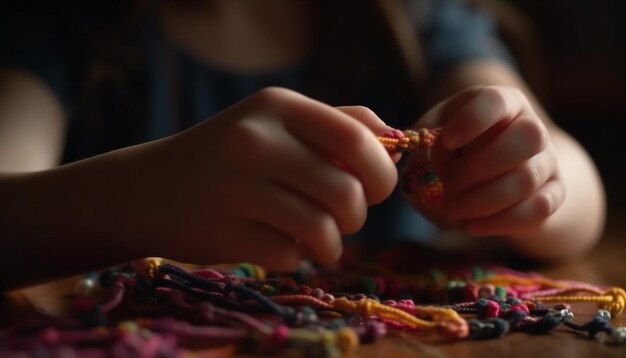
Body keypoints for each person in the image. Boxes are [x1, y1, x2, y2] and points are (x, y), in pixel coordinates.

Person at [0, 0, 605, 290]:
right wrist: (137, 199)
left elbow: (577, 185)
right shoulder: (66, 25)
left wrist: (532, 173)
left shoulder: (417, 21)